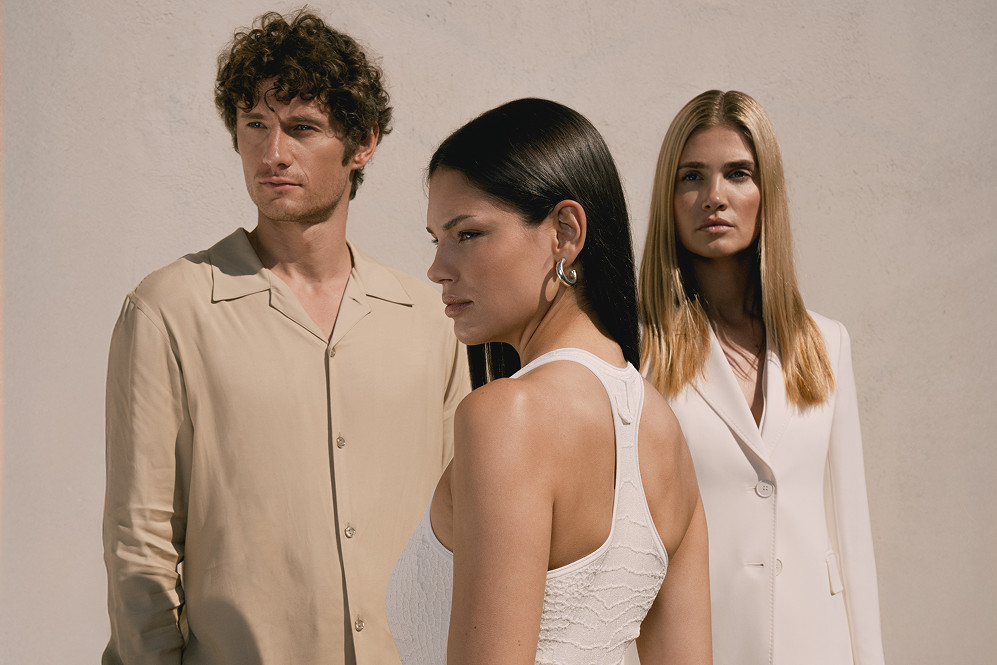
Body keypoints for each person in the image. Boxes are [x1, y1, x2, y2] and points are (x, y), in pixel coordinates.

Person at [102, 10, 468, 665]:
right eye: (254, 125)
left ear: (362, 143)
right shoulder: (170, 309)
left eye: (301, 127)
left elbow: (461, 527)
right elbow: (141, 541)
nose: (272, 153)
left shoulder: (429, 319)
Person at [384, 98, 712, 665]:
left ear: (565, 231)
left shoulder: (507, 415)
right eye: (436, 239)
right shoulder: (664, 430)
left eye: (467, 234)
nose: (437, 268)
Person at [638, 89, 885, 665]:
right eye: (691, 177)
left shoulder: (826, 343)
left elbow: (851, 533)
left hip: (817, 644)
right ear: (668, 197)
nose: (714, 196)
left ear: (765, 190)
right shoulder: (639, 349)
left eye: (738, 174)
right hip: (699, 642)